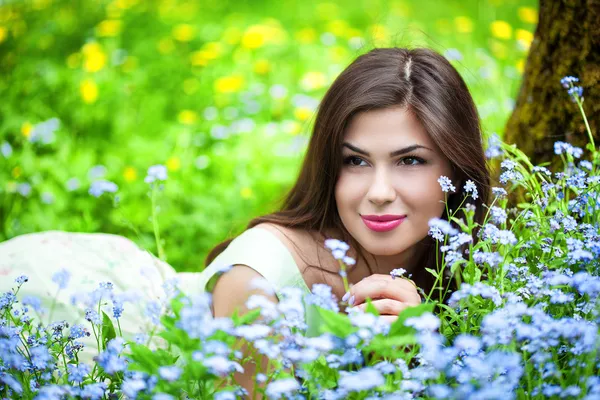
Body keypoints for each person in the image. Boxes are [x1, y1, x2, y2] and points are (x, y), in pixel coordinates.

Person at [0, 47, 490, 394]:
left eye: (410, 161)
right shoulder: (259, 285)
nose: (379, 193)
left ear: (456, 167)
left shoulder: (475, 262)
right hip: (61, 309)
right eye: (355, 161)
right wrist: (388, 363)